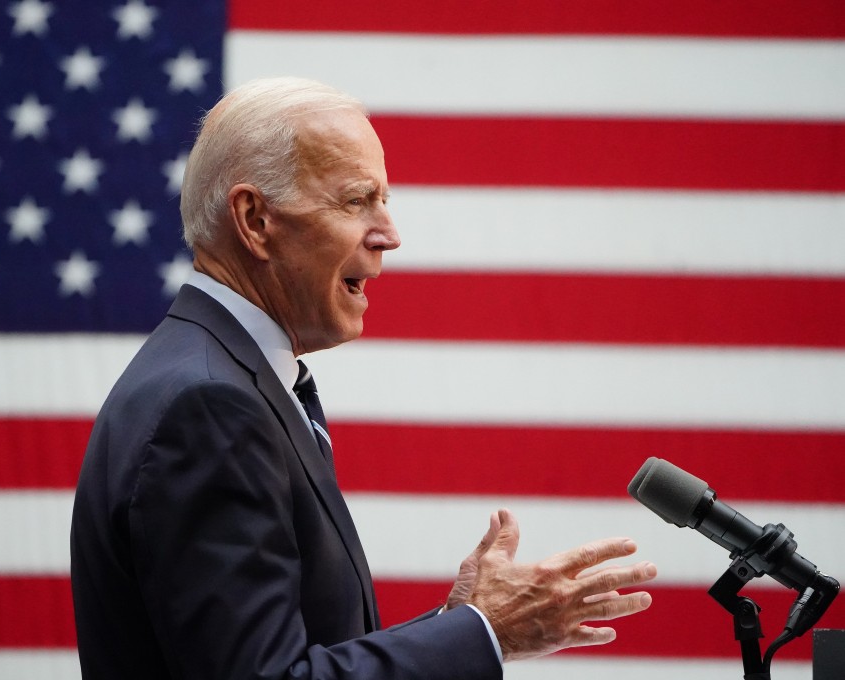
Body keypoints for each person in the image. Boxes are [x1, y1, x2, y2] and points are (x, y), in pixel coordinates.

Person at [70, 77, 656, 679]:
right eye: (356, 201)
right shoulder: (211, 406)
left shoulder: (211, 374)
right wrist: (487, 634)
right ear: (255, 219)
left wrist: (457, 625)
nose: (389, 235)